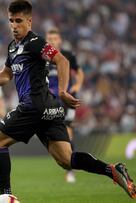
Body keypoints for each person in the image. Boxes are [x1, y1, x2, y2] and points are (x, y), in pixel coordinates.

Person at [0, 0, 135, 199]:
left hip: (33, 106)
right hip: (50, 109)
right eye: (11, 21)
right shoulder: (13, 47)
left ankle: (6, 196)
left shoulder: (34, 42)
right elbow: (7, 73)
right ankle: (112, 170)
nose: (14, 26)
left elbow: (62, 60)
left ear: (29, 21)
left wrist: (63, 90)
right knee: (66, 159)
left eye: (18, 21)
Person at [45, 27, 85, 183]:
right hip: (49, 100)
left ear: (59, 40)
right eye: (49, 38)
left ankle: (70, 169)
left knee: (68, 132)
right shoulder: (42, 56)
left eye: (54, 38)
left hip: (67, 99)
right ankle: (65, 161)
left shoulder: (68, 55)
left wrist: (77, 86)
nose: (52, 41)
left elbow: (79, 72)